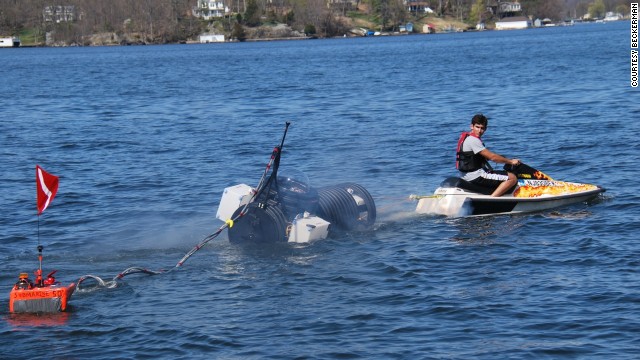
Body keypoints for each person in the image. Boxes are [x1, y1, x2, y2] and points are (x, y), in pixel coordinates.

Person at [456, 114, 521, 197]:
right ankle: (492, 200)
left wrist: (502, 158)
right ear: (471, 126)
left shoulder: (465, 137)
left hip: (464, 175)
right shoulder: (474, 140)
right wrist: (511, 161)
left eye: (482, 128)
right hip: (476, 175)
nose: (479, 131)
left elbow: (475, 156)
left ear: (485, 129)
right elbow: (493, 157)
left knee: (499, 173)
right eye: (477, 127)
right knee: (512, 178)